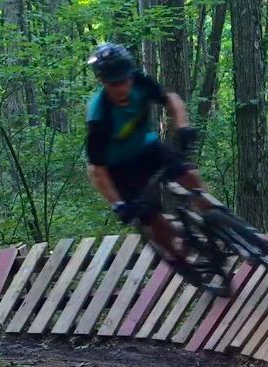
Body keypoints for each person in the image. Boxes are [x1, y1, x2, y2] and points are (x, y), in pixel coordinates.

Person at [84, 42, 210, 275]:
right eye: (114, 83)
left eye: (125, 79)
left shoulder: (140, 82)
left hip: (147, 148)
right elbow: (96, 170)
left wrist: (183, 126)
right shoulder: (99, 117)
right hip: (118, 170)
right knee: (152, 218)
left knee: (188, 174)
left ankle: (215, 222)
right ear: (103, 82)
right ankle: (184, 260)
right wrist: (118, 204)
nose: (122, 87)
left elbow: (170, 99)